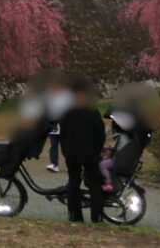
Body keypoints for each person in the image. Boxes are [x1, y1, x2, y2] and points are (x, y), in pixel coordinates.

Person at [59, 77, 106, 223]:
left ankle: (75, 216)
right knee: (94, 185)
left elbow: (63, 134)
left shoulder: (66, 112)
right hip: (90, 153)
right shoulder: (93, 112)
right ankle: (96, 217)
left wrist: (65, 150)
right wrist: (97, 150)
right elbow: (100, 134)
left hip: (72, 153)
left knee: (73, 183)